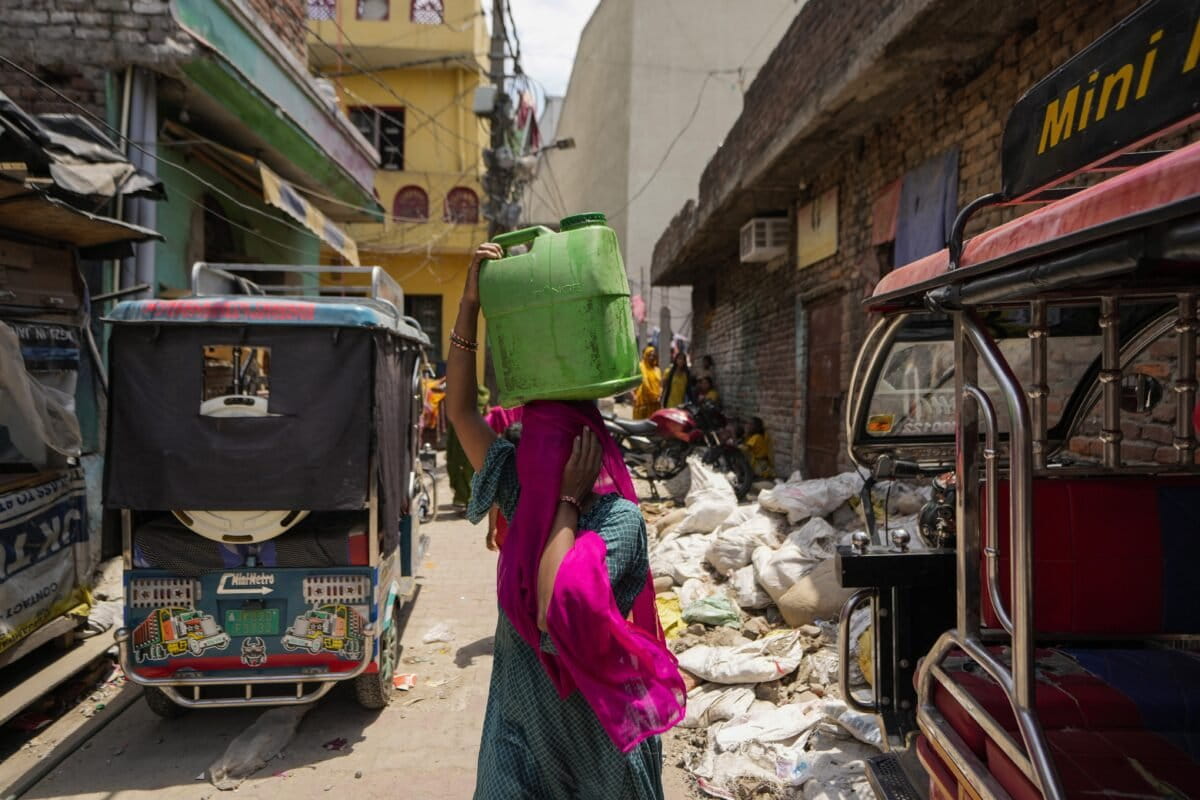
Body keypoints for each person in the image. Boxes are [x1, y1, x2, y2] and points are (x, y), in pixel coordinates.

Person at [446, 243, 685, 799]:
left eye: (548, 449)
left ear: (583, 452)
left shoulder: (618, 523)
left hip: (594, 753)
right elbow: (459, 411)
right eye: (531, 446)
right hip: (520, 739)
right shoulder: (521, 490)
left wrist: (568, 505)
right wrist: (468, 307)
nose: (533, 458)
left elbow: (555, 611)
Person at [446, 384, 490, 509]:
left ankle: (467, 499)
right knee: (468, 468)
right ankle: (467, 499)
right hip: (467, 439)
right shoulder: (480, 398)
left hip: (464, 439)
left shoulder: (461, 401)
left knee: (466, 468)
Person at [632, 345, 662, 419]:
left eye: (653, 355)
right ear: (645, 355)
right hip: (642, 402)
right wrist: (632, 395)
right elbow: (633, 382)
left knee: (653, 426)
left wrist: (660, 395)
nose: (652, 357)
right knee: (640, 427)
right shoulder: (640, 367)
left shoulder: (657, 370)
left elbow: (660, 385)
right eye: (649, 355)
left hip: (655, 403)